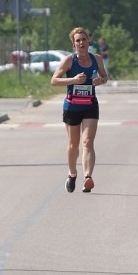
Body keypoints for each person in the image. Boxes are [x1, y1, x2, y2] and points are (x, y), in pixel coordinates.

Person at [52, 27, 108, 193]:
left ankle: (88, 177)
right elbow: (54, 80)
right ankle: (72, 174)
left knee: (88, 142)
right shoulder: (69, 60)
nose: (81, 43)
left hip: (90, 105)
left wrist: (100, 80)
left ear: (88, 41)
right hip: (72, 107)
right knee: (73, 144)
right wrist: (73, 80)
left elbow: (105, 77)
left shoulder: (96, 59)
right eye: (78, 40)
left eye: (84, 39)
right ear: (73, 44)